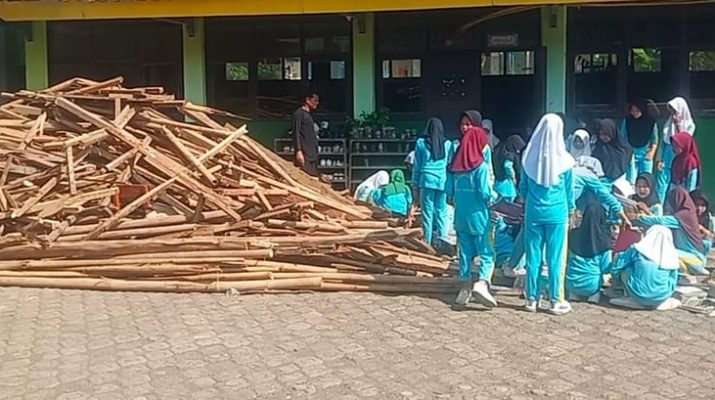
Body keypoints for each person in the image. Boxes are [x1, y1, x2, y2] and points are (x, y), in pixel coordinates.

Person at [519, 113, 575, 315]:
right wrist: (572, 211)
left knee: (533, 257)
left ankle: (531, 299)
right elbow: (569, 193)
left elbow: (522, 189)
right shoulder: (566, 161)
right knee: (556, 257)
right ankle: (555, 299)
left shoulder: (527, 158)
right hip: (557, 213)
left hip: (533, 212)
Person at [448, 121, 497, 307]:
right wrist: (497, 198)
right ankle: (482, 283)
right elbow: (485, 193)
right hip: (479, 218)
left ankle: (464, 288)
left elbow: (451, 193)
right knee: (486, 252)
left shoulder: (456, 169)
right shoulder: (481, 167)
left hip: (460, 217)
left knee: (465, 254)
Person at [635, 187, 708, 276]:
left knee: (665, 253)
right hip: (686, 255)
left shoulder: (685, 216)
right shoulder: (686, 214)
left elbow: (661, 221)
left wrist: (639, 217)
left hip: (695, 259)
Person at [608, 225, 680, 310]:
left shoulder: (636, 249)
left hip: (638, 294)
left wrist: (615, 281)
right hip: (662, 296)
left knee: (625, 268)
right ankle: (657, 301)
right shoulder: (672, 254)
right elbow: (673, 279)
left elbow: (617, 267)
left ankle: (628, 295)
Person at [412, 118, 455, 245]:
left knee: (427, 213)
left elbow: (417, 166)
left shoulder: (421, 143)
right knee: (442, 211)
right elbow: (449, 164)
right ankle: (443, 242)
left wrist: (414, 183)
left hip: (426, 181)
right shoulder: (447, 144)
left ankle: (427, 243)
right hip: (442, 181)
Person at [566, 199, 612, 303]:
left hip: (571, 283)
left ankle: (574, 294)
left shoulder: (572, 235)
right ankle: (594, 296)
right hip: (592, 285)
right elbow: (605, 268)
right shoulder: (605, 241)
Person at [657, 97, 695, 203]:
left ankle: (677, 205)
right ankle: (659, 205)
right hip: (668, 155)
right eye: (671, 111)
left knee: (677, 183)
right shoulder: (668, 125)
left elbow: (684, 140)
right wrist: (660, 158)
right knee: (662, 181)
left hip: (679, 157)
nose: (673, 114)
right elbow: (663, 142)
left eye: (675, 111)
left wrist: (678, 125)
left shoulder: (690, 125)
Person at [621, 99, 659, 183]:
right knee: (631, 179)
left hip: (646, 153)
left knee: (646, 178)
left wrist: (652, 152)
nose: (634, 113)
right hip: (631, 153)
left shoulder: (651, 121)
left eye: (637, 111)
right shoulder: (627, 120)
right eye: (632, 111)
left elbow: (655, 138)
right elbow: (623, 137)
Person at [592, 119, 633, 186]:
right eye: (601, 134)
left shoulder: (625, 149)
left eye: (606, 134)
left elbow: (630, 167)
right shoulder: (598, 147)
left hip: (619, 183)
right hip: (600, 182)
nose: (603, 137)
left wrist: (632, 183)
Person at [460, 110, 495, 187]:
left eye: (468, 124)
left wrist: (490, 186)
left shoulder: (484, 148)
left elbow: (489, 169)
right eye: (462, 124)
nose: (464, 127)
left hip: (479, 187)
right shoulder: (456, 145)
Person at [292, 92, 320, 175]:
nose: (316, 103)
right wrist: (298, 151)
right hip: (304, 154)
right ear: (307, 100)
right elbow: (296, 133)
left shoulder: (309, 115)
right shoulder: (299, 114)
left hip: (312, 154)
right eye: (315, 100)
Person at [493, 134, 526, 201]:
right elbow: (507, 166)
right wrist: (513, 178)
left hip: (497, 184)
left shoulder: (499, 150)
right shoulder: (509, 153)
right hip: (507, 187)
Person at [690, 189, 713, 254]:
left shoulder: (707, 218)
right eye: (696, 205)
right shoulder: (684, 216)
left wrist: (703, 230)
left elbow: (712, 237)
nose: (699, 209)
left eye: (703, 205)